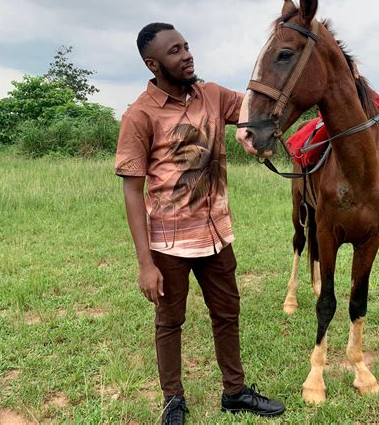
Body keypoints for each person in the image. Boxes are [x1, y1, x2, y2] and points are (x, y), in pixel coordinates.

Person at [115, 22, 285, 425]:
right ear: (153, 63)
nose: (187, 55)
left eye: (187, 46)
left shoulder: (212, 95)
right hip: (169, 245)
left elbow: (257, 109)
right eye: (175, 51)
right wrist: (145, 264)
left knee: (227, 314)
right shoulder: (140, 115)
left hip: (217, 235)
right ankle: (173, 400)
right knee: (169, 322)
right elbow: (132, 192)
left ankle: (235, 392)